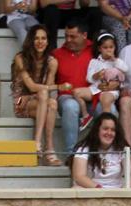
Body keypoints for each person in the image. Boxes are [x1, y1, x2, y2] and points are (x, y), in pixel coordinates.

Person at [11, 25, 62, 166]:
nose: (40, 42)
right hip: (21, 101)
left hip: (41, 102)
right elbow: (31, 87)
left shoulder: (52, 62)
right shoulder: (20, 58)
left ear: (48, 41)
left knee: (52, 103)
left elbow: (48, 90)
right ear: (31, 41)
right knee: (45, 95)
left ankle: (47, 147)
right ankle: (40, 143)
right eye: (36, 38)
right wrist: (58, 87)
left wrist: (48, 89)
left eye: (43, 38)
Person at [52, 22, 94, 155]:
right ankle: (72, 155)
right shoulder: (56, 54)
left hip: (91, 97)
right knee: (71, 106)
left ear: (84, 35)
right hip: (66, 98)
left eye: (73, 36)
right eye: (66, 36)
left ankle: (106, 155)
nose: (68, 40)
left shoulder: (96, 50)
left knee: (110, 109)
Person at [69, 111, 131, 187]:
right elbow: (79, 177)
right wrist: (101, 191)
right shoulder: (83, 149)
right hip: (90, 192)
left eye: (113, 130)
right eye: (105, 129)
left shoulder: (122, 149)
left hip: (116, 194)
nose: (109, 133)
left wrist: (124, 192)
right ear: (97, 130)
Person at [83, 32, 127, 121]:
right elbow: (88, 78)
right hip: (95, 89)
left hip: (111, 91)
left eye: (111, 47)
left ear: (115, 47)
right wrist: (96, 75)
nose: (109, 50)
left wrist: (114, 60)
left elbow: (125, 69)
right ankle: (85, 116)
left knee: (106, 100)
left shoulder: (117, 61)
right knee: (77, 92)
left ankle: (105, 122)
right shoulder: (94, 61)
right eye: (105, 47)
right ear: (99, 48)